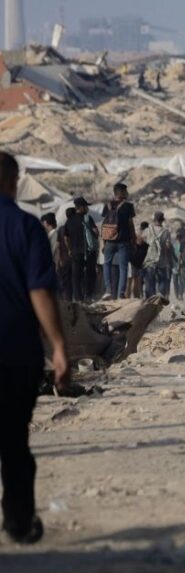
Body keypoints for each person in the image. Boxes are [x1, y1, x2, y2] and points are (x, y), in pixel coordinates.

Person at [0, 151, 68, 545]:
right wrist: (59, 346)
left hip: (15, 352)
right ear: (13, 182)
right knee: (14, 442)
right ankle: (19, 522)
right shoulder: (25, 228)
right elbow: (40, 291)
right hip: (15, 352)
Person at [101, 182, 135, 300]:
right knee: (123, 267)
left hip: (109, 240)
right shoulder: (128, 206)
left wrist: (104, 242)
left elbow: (105, 224)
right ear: (121, 192)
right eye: (125, 191)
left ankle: (108, 290)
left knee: (107, 264)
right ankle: (121, 293)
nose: (127, 193)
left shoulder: (108, 205)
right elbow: (131, 225)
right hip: (123, 241)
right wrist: (133, 240)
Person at [142, 212, 172, 299]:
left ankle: (149, 299)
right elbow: (168, 247)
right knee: (162, 280)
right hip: (161, 260)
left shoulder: (148, 230)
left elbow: (142, 241)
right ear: (162, 220)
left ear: (154, 219)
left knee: (149, 281)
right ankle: (160, 298)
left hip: (150, 260)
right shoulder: (166, 232)